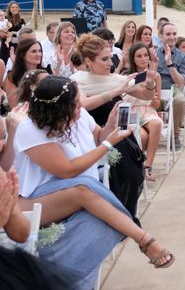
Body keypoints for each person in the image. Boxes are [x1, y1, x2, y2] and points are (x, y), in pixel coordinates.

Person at [13, 77, 174, 285]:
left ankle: (61, 278)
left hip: (85, 195)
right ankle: (144, 240)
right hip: (36, 199)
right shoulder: (30, 129)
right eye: (76, 104)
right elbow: (67, 171)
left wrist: (110, 125)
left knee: (102, 226)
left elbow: (98, 137)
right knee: (84, 188)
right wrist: (109, 144)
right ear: (59, 109)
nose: (81, 106)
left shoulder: (79, 116)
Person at [71, 34, 156, 219]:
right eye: (104, 59)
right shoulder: (78, 80)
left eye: (111, 57)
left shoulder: (117, 79)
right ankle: (114, 216)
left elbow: (146, 96)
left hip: (120, 135)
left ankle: (124, 214)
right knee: (121, 174)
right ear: (88, 61)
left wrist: (149, 83)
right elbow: (83, 104)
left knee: (134, 174)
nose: (110, 62)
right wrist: (117, 92)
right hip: (95, 137)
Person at [123, 43, 162, 181]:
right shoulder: (127, 76)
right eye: (139, 56)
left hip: (148, 111)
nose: (143, 59)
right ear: (133, 59)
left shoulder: (155, 76)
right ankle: (136, 167)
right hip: (131, 112)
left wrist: (150, 92)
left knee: (157, 123)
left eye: (146, 55)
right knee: (143, 137)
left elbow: (157, 104)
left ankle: (148, 167)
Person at [156, 22, 185, 150]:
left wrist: (169, 63)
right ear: (160, 35)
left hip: (173, 88)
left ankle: (174, 136)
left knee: (181, 101)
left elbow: (181, 83)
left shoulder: (183, 56)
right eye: (168, 34)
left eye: (174, 34)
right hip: (155, 89)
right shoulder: (153, 53)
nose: (172, 37)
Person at [4, 39, 48, 109]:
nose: (38, 54)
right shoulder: (14, 76)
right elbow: (14, 106)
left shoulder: (45, 73)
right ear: (22, 54)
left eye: (40, 51)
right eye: (34, 51)